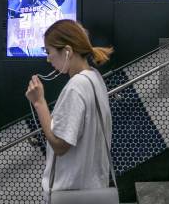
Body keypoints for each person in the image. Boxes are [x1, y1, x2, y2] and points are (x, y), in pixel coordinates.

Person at [25, 19, 114, 201]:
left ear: (67, 52)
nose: (48, 58)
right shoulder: (95, 78)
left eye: (49, 52)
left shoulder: (76, 87)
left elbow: (60, 145)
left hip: (70, 194)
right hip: (95, 190)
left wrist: (39, 103)